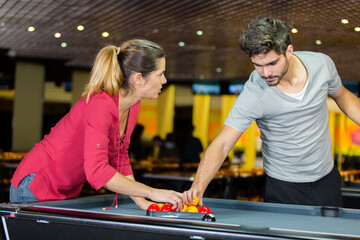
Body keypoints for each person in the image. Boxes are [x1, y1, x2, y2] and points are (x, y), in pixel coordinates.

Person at [184, 16, 360, 207]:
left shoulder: (322, 65)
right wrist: (197, 189)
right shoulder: (254, 93)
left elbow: (342, 96)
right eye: (257, 65)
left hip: (327, 179)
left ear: (289, 51)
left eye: (272, 63)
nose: (265, 73)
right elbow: (223, 143)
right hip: (284, 187)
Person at [10, 39, 184, 211]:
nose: (165, 80)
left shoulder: (133, 105)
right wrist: (151, 192)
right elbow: (97, 172)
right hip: (36, 184)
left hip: (65, 188)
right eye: (160, 74)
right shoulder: (101, 104)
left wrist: (141, 200)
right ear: (138, 78)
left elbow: (119, 158)